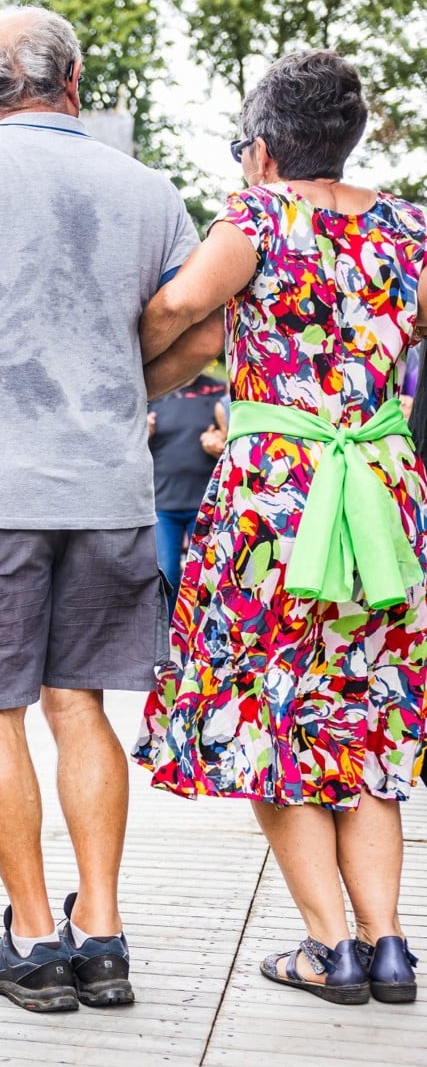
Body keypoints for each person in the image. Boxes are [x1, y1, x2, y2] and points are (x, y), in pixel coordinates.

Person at [0, 6, 220, 1013]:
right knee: (81, 706)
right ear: (71, 84)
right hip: (107, 489)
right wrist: (124, 384)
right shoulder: (145, 189)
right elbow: (198, 330)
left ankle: (29, 936)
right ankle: (99, 934)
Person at [135, 50, 427, 1005]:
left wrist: (127, 369)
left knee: (274, 714)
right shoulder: (409, 228)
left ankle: (329, 948)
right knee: (368, 712)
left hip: (280, 496)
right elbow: (409, 329)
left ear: (260, 147)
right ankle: (390, 948)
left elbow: (180, 301)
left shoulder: (255, 218)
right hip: (383, 490)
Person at [148, 373, 227, 612]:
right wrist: (143, 433)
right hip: (162, 503)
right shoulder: (155, 387)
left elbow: (232, 434)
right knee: (167, 572)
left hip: (205, 504)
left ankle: (196, 642)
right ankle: (167, 636)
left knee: (205, 575)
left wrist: (218, 440)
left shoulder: (218, 390)